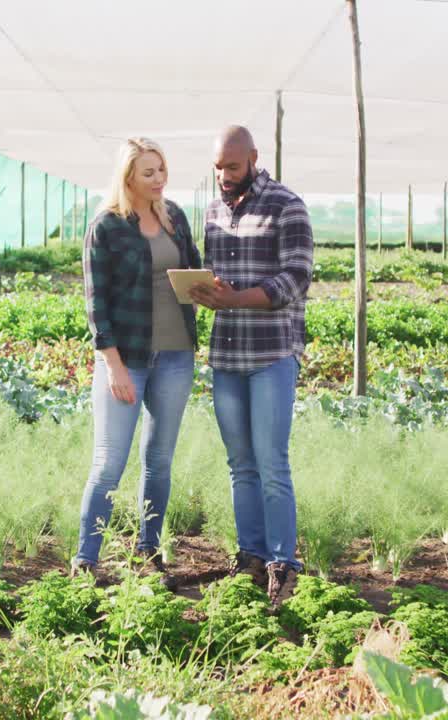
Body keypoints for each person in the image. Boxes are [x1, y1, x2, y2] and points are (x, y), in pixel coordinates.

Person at [189, 125, 314, 606]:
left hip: (272, 353)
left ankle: (284, 564)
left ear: (254, 159)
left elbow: (296, 277)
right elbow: (216, 273)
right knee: (240, 464)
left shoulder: (288, 205)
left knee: (271, 461)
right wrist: (204, 291)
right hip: (227, 353)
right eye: (217, 167)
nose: (223, 176)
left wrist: (236, 298)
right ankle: (252, 557)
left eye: (232, 167)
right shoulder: (214, 210)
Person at [73, 137, 201, 586]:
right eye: (149, 173)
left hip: (175, 355)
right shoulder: (106, 227)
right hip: (126, 358)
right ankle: (86, 561)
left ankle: (149, 552)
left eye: (162, 170)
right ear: (128, 176)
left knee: (159, 459)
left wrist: (208, 292)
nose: (159, 180)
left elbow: (193, 273)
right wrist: (113, 365)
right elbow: (96, 303)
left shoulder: (175, 218)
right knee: (109, 461)